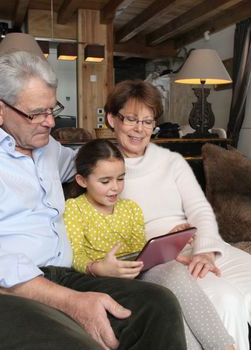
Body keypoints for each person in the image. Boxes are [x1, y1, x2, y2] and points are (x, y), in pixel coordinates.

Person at [0, 48, 186, 350]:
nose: (49, 122)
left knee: (156, 305)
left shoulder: (46, 147)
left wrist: (128, 135)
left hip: (55, 275)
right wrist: (72, 302)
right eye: (36, 113)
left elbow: (90, 167)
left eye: (52, 109)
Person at [105, 79, 251, 350]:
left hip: (199, 244)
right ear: (112, 119)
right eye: (131, 119)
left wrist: (206, 250)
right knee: (226, 301)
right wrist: (164, 242)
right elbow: (104, 228)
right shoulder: (102, 170)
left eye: (148, 121)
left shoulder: (171, 161)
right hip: (160, 261)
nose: (140, 129)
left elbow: (200, 209)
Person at [64, 139, 235, 350]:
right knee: (167, 303)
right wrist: (98, 268)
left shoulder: (131, 208)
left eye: (121, 178)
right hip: (106, 279)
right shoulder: (74, 209)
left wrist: (166, 244)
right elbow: (74, 256)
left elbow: (140, 251)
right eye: (105, 181)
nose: (115, 188)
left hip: (138, 271)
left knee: (172, 271)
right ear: (82, 180)